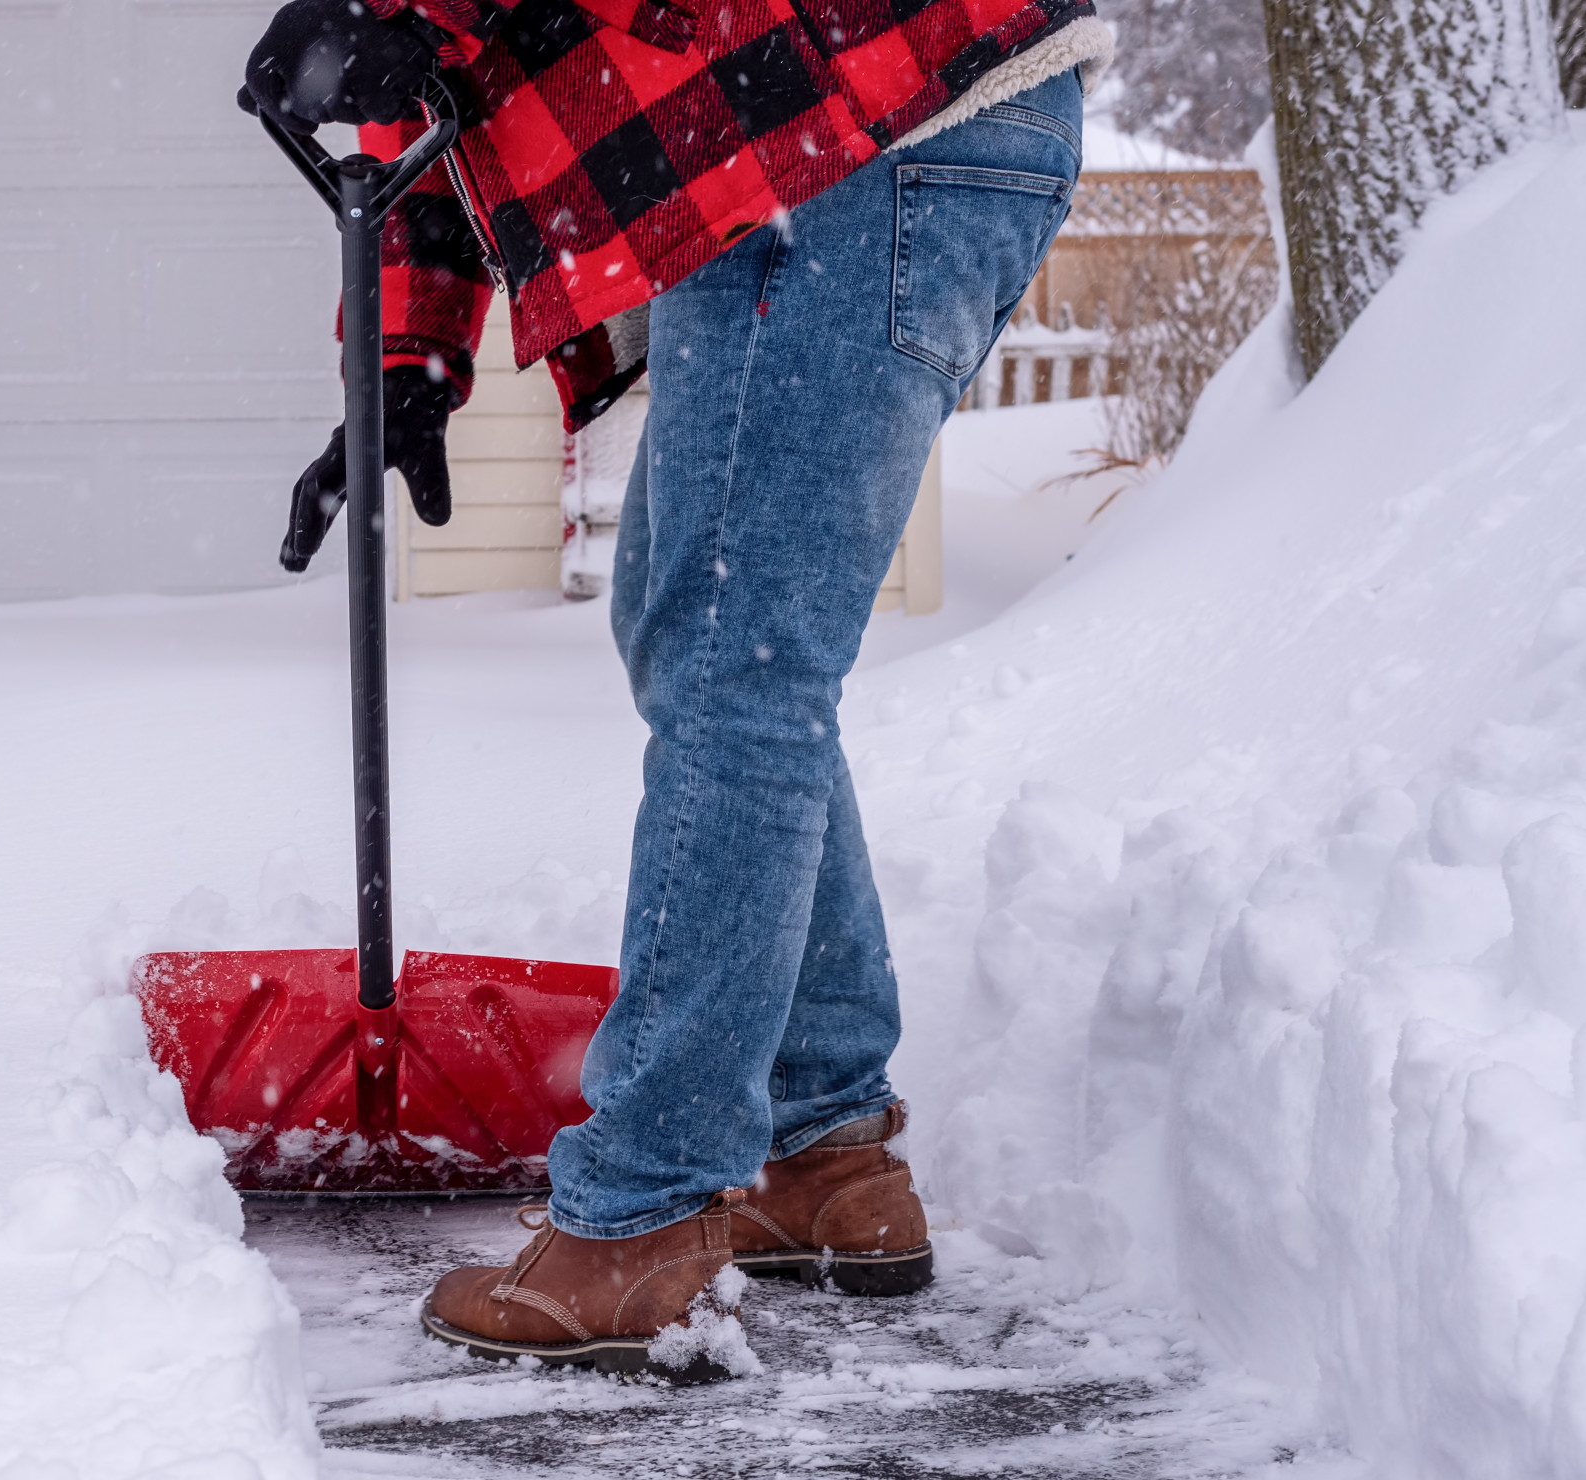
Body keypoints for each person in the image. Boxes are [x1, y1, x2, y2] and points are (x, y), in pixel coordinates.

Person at [239, 0, 1112, 1375]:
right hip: (813, 133)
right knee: (707, 633)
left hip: (861, 117)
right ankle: (819, 1152)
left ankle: (644, 1215)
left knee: (737, 652)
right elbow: (430, 85)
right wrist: (401, 361)